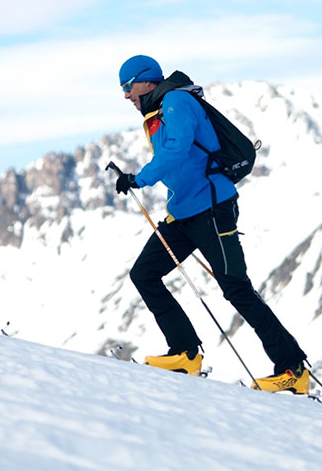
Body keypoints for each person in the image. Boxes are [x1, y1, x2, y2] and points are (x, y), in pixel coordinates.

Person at [112, 55, 309, 393]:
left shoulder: (176, 101)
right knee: (143, 273)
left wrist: (138, 179)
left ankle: (292, 370)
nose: (127, 95)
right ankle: (185, 353)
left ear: (146, 81)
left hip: (212, 209)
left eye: (128, 87)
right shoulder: (157, 111)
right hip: (183, 213)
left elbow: (176, 151)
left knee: (236, 287)